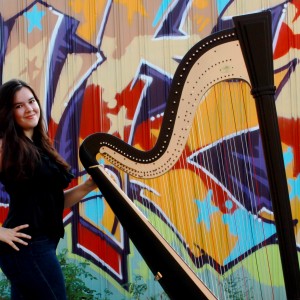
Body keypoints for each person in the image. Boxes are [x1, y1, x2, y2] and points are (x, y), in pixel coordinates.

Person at [0, 79, 97, 299]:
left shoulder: (39, 146)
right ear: (8, 113)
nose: (29, 109)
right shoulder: (5, 147)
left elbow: (51, 203)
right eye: (19, 106)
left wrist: (89, 186)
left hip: (41, 245)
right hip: (28, 247)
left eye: (31, 101)